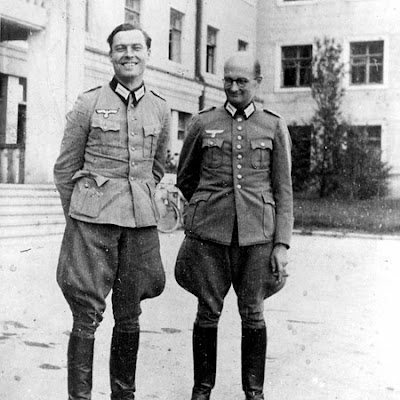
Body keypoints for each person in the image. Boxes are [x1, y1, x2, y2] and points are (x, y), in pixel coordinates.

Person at [54, 23, 170, 400]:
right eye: (120, 48)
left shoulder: (161, 107)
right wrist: (79, 215)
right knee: (86, 314)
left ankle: (124, 396)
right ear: (110, 56)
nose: (128, 54)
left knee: (130, 314)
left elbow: (156, 167)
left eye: (136, 47)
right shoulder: (89, 103)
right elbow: (65, 168)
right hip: (92, 226)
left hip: (138, 225)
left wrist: (140, 199)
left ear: (148, 53)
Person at [175, 52, 293, 400]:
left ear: (257, 83)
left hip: (258, 234)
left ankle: (253, 392)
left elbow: (283, 190)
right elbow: (186, 178)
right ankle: (202, 390)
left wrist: (281, 244)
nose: (234, 87)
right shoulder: (202, 123)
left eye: (242, 81)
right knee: (207, 311)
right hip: (210, 234)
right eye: (228, 80)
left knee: (253, 314)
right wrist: (207, 208)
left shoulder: (273, 126)